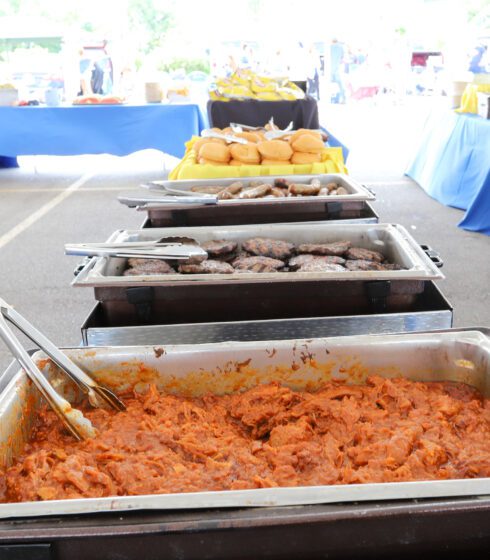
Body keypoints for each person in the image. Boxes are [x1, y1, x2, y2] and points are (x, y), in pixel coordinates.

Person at [330, 38, 346, 103]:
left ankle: (331, 99)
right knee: (341, 85)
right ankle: (343, 99)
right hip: (338, 69)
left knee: (328, 85)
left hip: (330, 69)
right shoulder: (341, 47)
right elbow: (342, 57)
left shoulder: (329, 47)